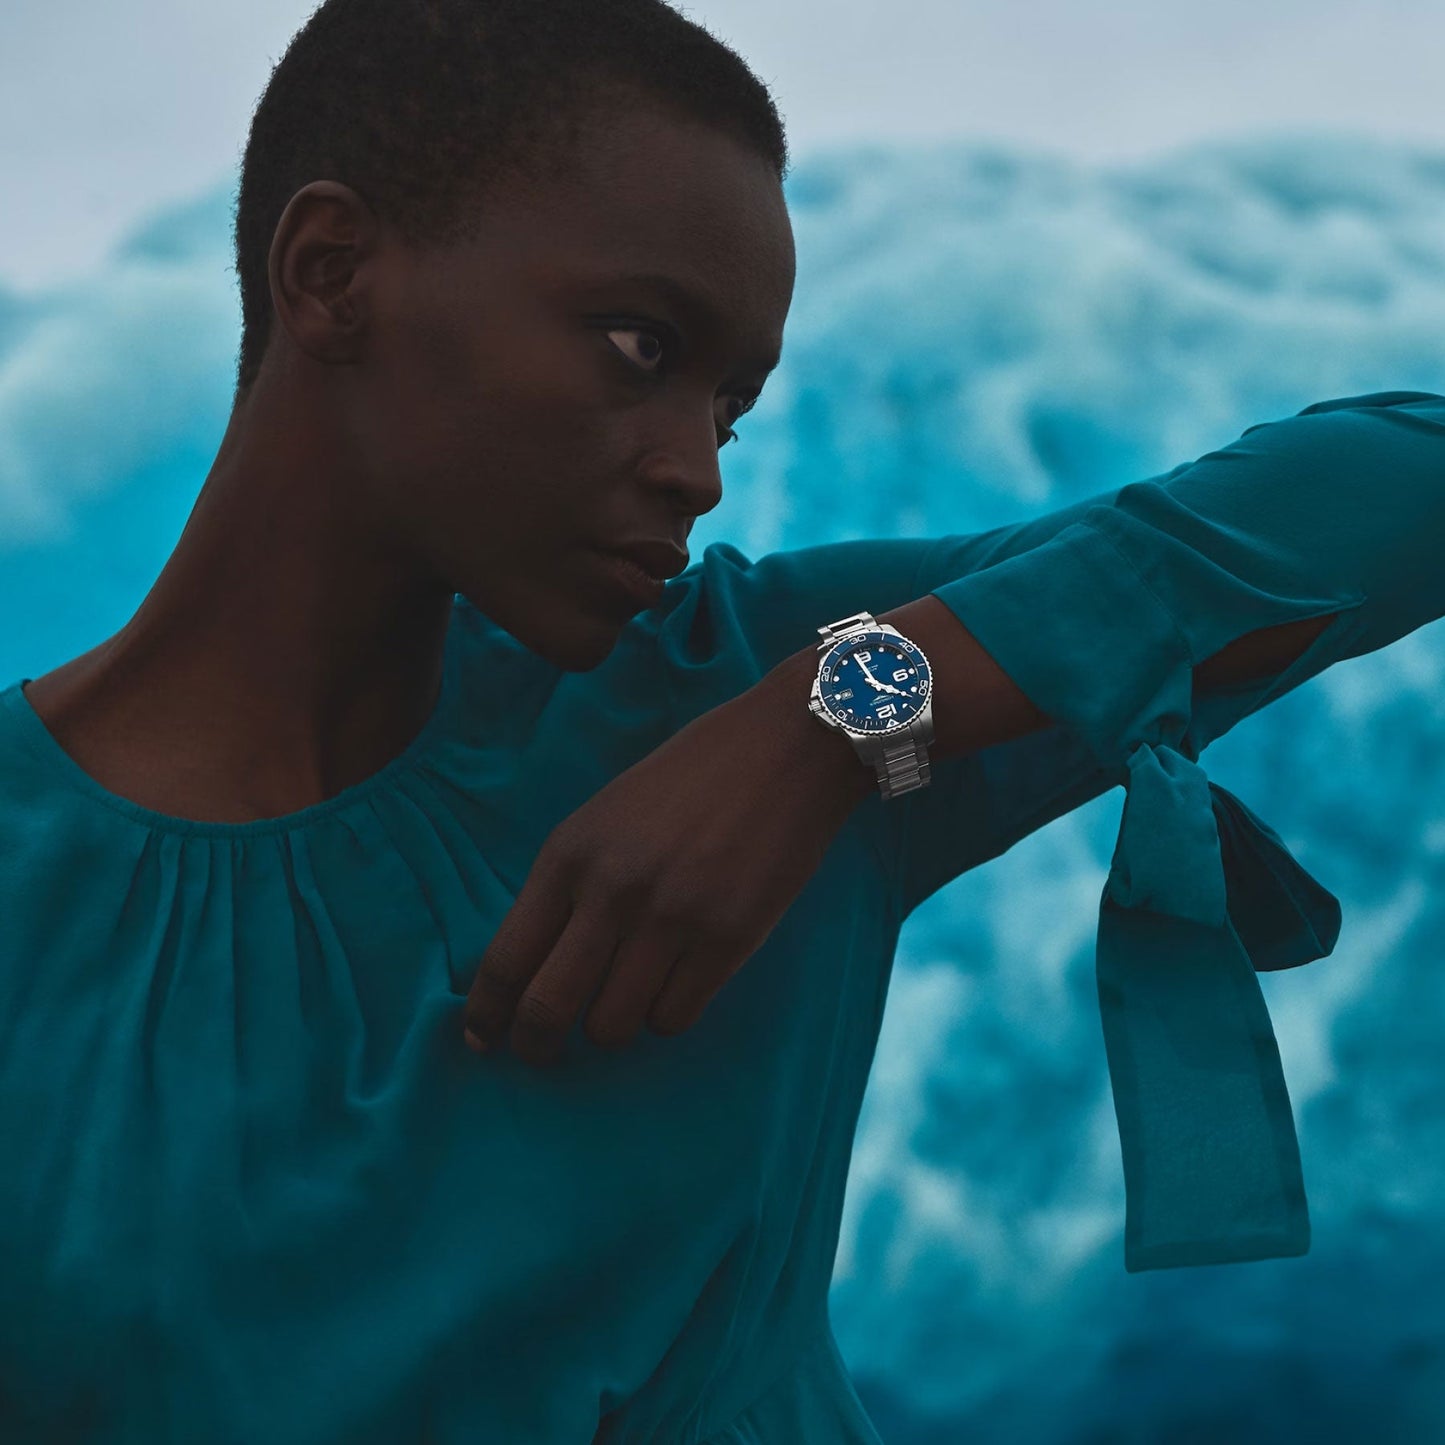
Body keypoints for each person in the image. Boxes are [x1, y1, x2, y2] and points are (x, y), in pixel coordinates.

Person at [2, 1, 1443, 1442]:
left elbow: (1401, 479)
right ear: (331, 273)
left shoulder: (750, 688)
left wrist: (820, 729)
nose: (698, 471)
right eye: (640, 346)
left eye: (732, 407)